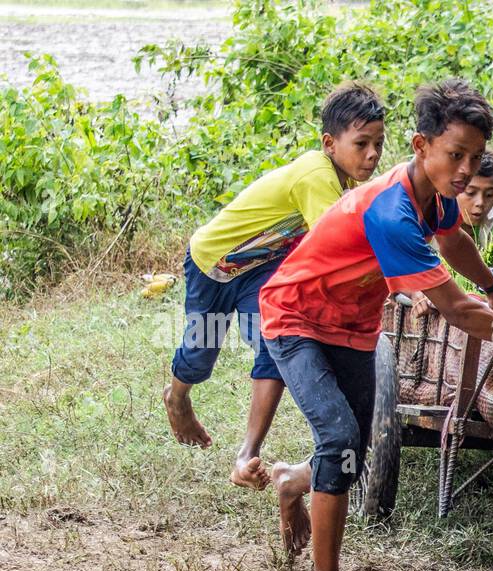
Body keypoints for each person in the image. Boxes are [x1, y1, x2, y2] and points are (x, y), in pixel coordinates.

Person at [258, 79, 493, 571]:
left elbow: (454, 241)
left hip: (355, 324)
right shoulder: (392, 213)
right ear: (420, 146)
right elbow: (458, 311)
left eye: (475, 157)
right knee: (338, 437)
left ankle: (293, 480)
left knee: (351, 454)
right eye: (455, 154)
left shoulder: (438, 198)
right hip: (297, 318)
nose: (464, 169)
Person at [163, 83, 386, 492]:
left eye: (378, 144)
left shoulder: (345, 186)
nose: (372, 154)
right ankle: (177, 397)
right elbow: (340, 245)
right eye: (361, 143)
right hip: (212, 264)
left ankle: (246, 455)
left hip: (261, 272)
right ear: (329, 143)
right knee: (199, 355)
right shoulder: (317, 174)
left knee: (271, 343)